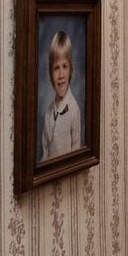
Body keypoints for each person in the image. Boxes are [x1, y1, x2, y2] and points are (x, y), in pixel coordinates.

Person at [40, 31, 81, 161]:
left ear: (71, 70)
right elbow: (45, 153)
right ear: (50, 74)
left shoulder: (74, 110)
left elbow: (76, 153)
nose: (61, 74)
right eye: (56, 68)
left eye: (65, 66)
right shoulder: (48, 113)